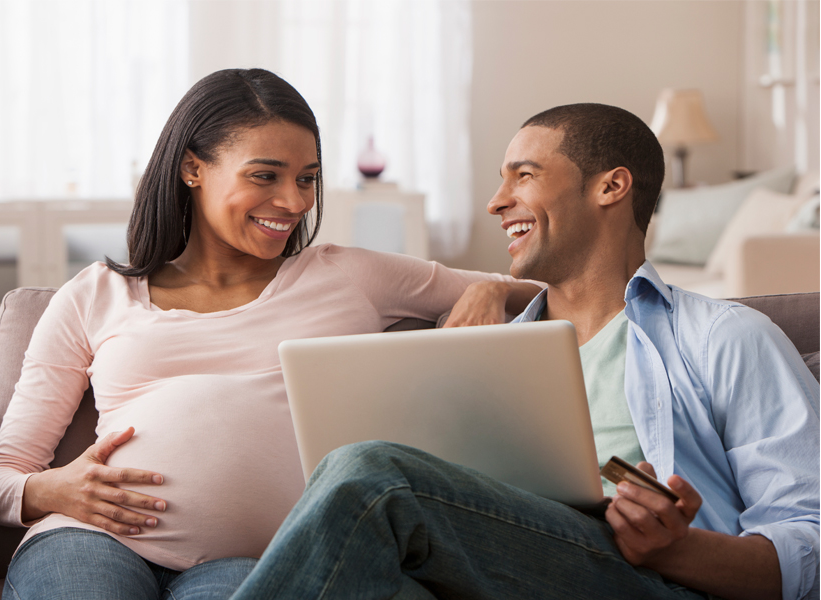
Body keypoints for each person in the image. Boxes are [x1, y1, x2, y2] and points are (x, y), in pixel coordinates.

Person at [0, 68, 540, 600]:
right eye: (265, 175)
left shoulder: (349, 275)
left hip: (258, 559)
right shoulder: (96, 294)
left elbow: (545, 289)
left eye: (307, 179)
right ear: (192, 168)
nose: (294, 202)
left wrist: (492, 288)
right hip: (89, 539)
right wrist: (51, 491)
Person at [226, 104, 820, 600]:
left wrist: (677, 548)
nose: (496, 201)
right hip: (491, 571)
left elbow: (809, 549)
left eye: (523, 176)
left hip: (647, 580)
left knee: (372, 472)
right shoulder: (493, 352)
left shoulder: (726, 338)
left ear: (611, 186)